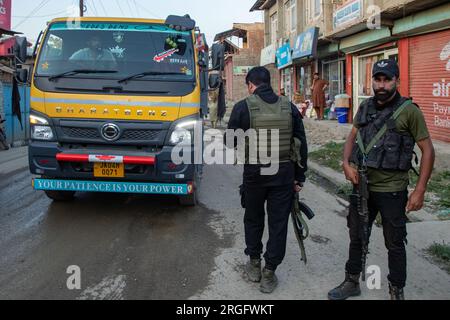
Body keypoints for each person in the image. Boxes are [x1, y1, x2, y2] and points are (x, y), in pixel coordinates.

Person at [327, 59, 435, 300]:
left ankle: (396, 290)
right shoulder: (364, 107)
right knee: (357, 236)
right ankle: (351, 281)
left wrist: (420, 190)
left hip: (392, 189)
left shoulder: (409, 111)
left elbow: (428, 150)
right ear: (372, 80)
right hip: (362, 186)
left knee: (394, 243)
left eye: (388, 80)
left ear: (397, 81)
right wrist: (345, 163)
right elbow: (352, 136)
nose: (382, 85)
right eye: (378, 79)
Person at [226, 67, 308, 294]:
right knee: (278, 223)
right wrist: (300, 177)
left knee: (253, 218)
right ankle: (269, 272)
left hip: (255, 173)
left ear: (250, 84)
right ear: (268, 82)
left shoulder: (243, 107)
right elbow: (301, 142)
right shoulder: (288, 107)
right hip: (283, 174)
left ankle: (254, 264)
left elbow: (230, 142)